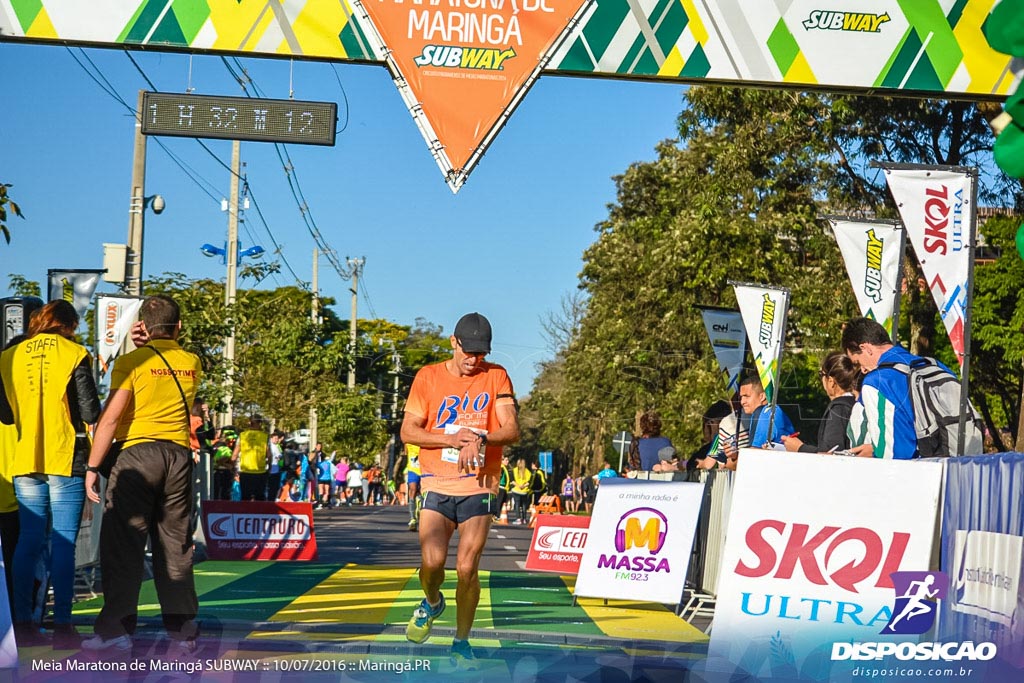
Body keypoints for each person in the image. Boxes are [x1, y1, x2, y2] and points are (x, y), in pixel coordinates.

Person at [400, 312, 519, 669]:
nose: (474, 360)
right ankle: (433, 601)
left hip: (480, 483)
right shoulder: (428, 376)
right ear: (453, 343)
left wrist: (482, 436)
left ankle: (461, 641)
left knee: (467, 567)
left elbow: (511, 429)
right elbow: (408, 431)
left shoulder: (496, 376)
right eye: (469, 352)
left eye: (481, 354)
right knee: (432, 563)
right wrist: (448, 439)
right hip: (437, 481)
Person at [82, 295, 201, 654]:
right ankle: (182, 633)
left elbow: (112, 417)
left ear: (143, 327)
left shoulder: (131, 362)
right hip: (178, 456)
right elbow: (165, 368)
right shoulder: (193, 362)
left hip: (137, 455)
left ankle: (115, 630)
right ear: (179, 327)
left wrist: (92, 467)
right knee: (175, 545)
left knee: (124, 544)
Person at [0, 301, 101, 647]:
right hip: (65, 455)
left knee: (27, 542)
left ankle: (22, 626)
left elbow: (5, 414)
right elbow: (89, 409)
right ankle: (62, 628)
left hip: (25, 456)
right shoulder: (74, 353)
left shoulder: (9, 356)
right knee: (63, 541)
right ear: (68, 325)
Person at [841, 317, 950, 459]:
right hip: (957, 465)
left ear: (866, 348)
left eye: (858, 361)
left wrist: (874, 452)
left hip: (916, 474)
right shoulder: (935, 366)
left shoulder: (876, 382)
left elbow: (889, 453)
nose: (862, 370)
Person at [784, 353, 859, 454]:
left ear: (831, 381)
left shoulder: (839, 409)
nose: (821, 379)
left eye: (821, 374)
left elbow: (831, 453)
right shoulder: (855, 403)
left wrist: (800, 448)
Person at [738, 373, 796, 448]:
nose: (742, 402)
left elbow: (754, 454)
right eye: (741, 397)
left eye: (746, 396)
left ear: (762, 396)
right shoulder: (774, 410)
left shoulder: (763, 412)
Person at [686, 400, 733, 473]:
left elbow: (708, 464)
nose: (707, 429)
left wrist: (700, 464)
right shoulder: (733, 434)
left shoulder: (719, 438)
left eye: (710, 423)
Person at [234, 415, 270, 501]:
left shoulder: (242, 435)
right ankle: (259, 514)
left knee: (245, 497)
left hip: (245, 471)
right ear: (260, 423)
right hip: (260, 471)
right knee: (260, 498)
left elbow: (235, 454)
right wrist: (269, 468)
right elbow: (269, 455)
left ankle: (245, 513)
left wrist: (233, 468)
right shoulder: (265, 436)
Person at [211, 428, 238, 501]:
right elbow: (221, 460)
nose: (234, 441)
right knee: (224, 494)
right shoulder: (226, 449)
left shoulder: (215, 445)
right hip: (224, 473)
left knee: (216, 493)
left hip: (214, 472)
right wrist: (229, 466)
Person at [510, 458, 532, 525]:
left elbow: (512, 481)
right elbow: (529, 482)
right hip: (524, 491)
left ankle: (518, 518)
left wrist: (518, 486)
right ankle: (524, 519)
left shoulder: (514, 470)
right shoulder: (528, 472)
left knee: (517, 504)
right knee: (524, 505)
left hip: (516, 490)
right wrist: (523, 486)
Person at [405, 446, 421, 529]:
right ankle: (412, 519)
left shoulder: (425, 440)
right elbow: (405, 452)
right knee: (413, 489)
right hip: (412, 470)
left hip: (424, 470)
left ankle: (419, 505)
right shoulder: (408, 442)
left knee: (423, 492)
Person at [267, 431, 286, 502]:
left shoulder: (276, 446)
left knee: (275, 484)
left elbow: (280, 455)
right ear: (271, 438)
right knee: (270, 483)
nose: (277, 440)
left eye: (277, 438)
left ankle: (273, 498)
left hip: (276, 465)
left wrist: (279, 457)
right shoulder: (269, 445)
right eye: (275, 438)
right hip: (270, 466)